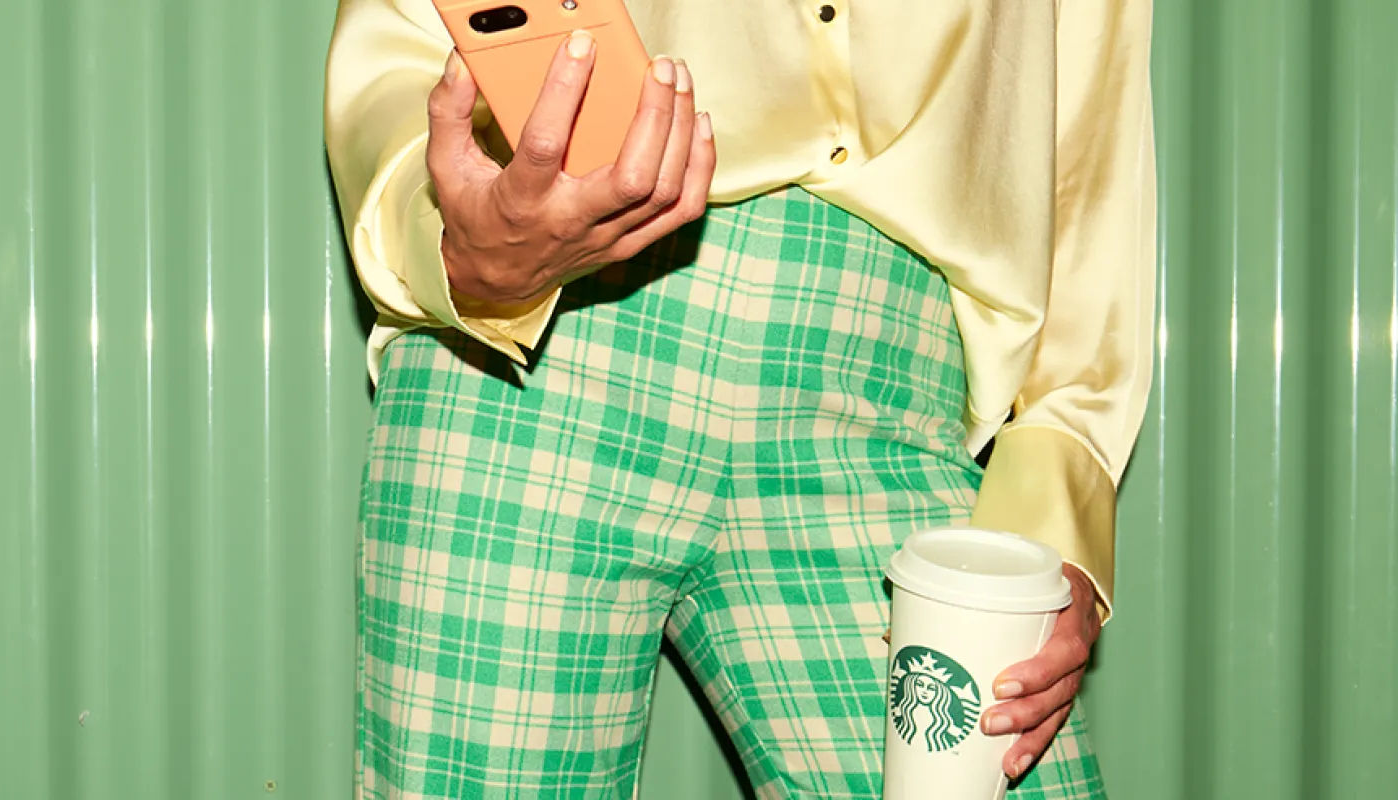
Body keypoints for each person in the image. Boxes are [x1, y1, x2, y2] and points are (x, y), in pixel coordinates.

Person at [322, 1, 1154, 797]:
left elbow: (1091, 137)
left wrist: (1058, 503)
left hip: (888, 383)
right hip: (546, 341)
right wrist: (448, 233)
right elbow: (401, 37)